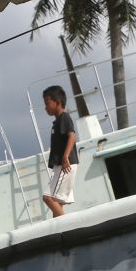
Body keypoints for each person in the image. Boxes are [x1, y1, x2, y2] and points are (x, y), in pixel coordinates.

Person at [41, 85, 77, 218]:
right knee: (56, 202)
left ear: (58, 102)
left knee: (48, 197)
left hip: (65, 165)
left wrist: (65, 157)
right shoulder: (57, 123)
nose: (45, 107)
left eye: (47, 103)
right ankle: (59, 231)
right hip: (60, 166)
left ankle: (68, 228)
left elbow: (72, 135)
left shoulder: (64, 118)